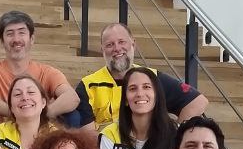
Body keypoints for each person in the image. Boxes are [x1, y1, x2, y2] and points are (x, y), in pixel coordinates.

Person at [0, 10, 82, 149]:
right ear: (2, 41)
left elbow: (72, 97)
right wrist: (17, 113)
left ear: (31, 39)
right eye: (10, 34)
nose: (16, 39)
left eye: (21, 32)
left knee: (72, 115)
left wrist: (39, 114)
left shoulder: (48, 72)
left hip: (39, 138)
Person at [75, 23, 208, 131]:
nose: (117, 48)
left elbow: (198, 101)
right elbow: (88, 136)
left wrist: (177, 137)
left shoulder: (152, 78)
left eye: (122, 42)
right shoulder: (87, 86)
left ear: (133, 44)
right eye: (110, 44)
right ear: (102, 49)